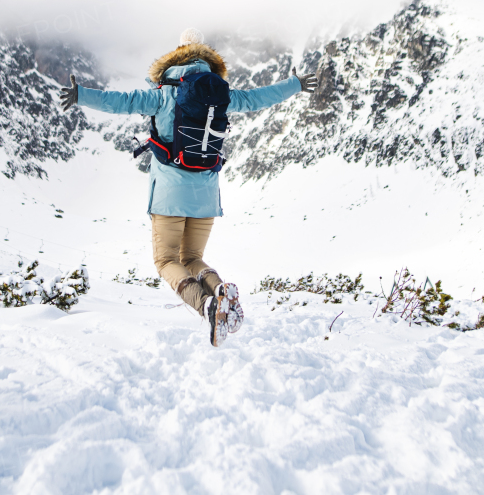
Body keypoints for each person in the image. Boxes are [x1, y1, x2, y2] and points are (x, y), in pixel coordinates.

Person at [59, 28, 318, 346]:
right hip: (206, 194)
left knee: (167, 261)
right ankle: (221, 292)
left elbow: (121, 103)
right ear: (205, 56)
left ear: (177, 54)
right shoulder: (221, 93)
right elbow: (257, 98)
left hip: (169, 193)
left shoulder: (164, 92)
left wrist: (80, 95)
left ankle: (208, 305)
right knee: (193, 257)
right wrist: (295, 85)